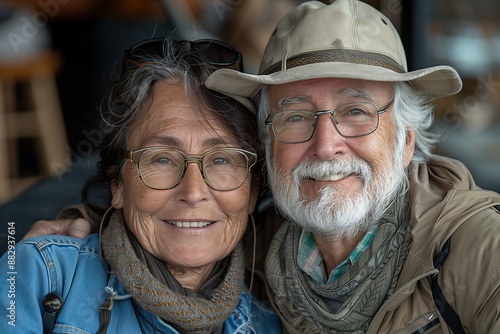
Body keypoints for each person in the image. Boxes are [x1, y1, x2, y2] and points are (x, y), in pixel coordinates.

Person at [21, 0, 500, 333]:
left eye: (357, 111)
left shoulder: (480, 248)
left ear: (406, 140)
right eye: (295, 117)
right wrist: (83, 223)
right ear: (268, 151)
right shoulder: (257, 243)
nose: (326, 145)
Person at [0, 38, 281, 333]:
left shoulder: (267, 325)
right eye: (161, 159)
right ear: (116, 183)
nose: (194, 192)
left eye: (222, 160)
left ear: (251, 191)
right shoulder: (44, 276)